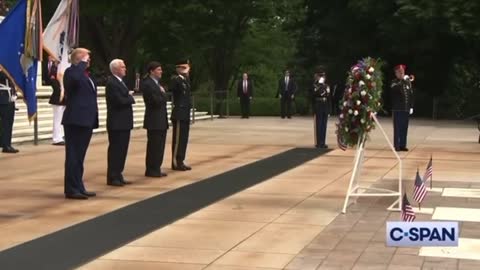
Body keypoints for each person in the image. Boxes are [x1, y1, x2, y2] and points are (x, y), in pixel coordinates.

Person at [62, 48, 98, 199]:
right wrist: (80, 64)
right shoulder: (71, 72)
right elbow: (74, 81)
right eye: (87, 58)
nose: (89, 61)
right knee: (73, 155)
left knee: (80, 157)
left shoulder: (85, 75)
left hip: (86, 120)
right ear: (79, 58)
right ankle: (71, 188)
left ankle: (78, 185)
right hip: (75, 120)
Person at [105, 59, 135, 186]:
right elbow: (119, 100)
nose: (125, 69)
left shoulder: (120, 82)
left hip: (124, 122)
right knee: (116, 150)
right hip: (117, 122)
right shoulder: (112, 82)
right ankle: (113, 176)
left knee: (122, 150)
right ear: (116, 69)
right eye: (122, 67)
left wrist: (127, 96)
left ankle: (118, 173)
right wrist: (129, 97)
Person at [141, 61, 169, 177]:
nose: (161, 71)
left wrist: (162, 94)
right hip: (154, 120)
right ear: (151, 71)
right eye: (158, 69)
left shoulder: (157, 84)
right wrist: (163, 94)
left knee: (160, 146)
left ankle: (156, 167)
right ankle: (151, 169)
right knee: (154, 146)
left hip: (161, 119)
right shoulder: (148, 84)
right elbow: (155, 101)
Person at [169, 59, 192, 171]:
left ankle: (181, 160)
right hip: (178, 113)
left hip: (185, 113)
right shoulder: (176, 80)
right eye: (183, 68)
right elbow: (173, 88)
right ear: (178, 69)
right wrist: (181, 74)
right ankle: (175, 162)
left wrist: (185, 75)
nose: (186, 70)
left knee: (184, 139)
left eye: (186, 68)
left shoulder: (185, 80)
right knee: (178, 139)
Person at [391, 64, 414, 152]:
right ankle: (397, 145)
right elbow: (394, 90)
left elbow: (411, 95)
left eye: (402, 72)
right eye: (400, 72)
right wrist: (402, 81)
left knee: (404, 127)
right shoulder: (394, 82)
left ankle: (403, 145)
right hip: (397, 109)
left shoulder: (407, 82)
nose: (401, 74)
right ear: (396, 73)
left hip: (406, 109)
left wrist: (411, 106)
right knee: (397, 128)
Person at [46, 55, 66, 146]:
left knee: (62, 118)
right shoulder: (54, 70)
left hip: (63, 97)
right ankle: (56, 138)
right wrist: (62, 91)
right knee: (57, 119)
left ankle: (61, 136)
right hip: (57, 97)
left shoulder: (59, 69)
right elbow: (55, 85)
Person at [311, 68, 331, 148]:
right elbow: (313, 95)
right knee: (318, 124)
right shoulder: (315, 86)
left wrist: (329, 110)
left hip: (325, 106)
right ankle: (318, 142)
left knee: (324, 125)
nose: (323, 78)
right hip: (318, 105)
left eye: (323, 76)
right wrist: (319, 85)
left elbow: (329, 98)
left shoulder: (327, 86)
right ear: (318, 77)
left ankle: (323, 142)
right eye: (321, 76)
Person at [0, 68, 18, 153]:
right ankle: (6, 144)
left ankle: (6, 144)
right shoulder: (5, 71)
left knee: (8, 123)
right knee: (6, 123)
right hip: (4, 98)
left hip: (8, 98)